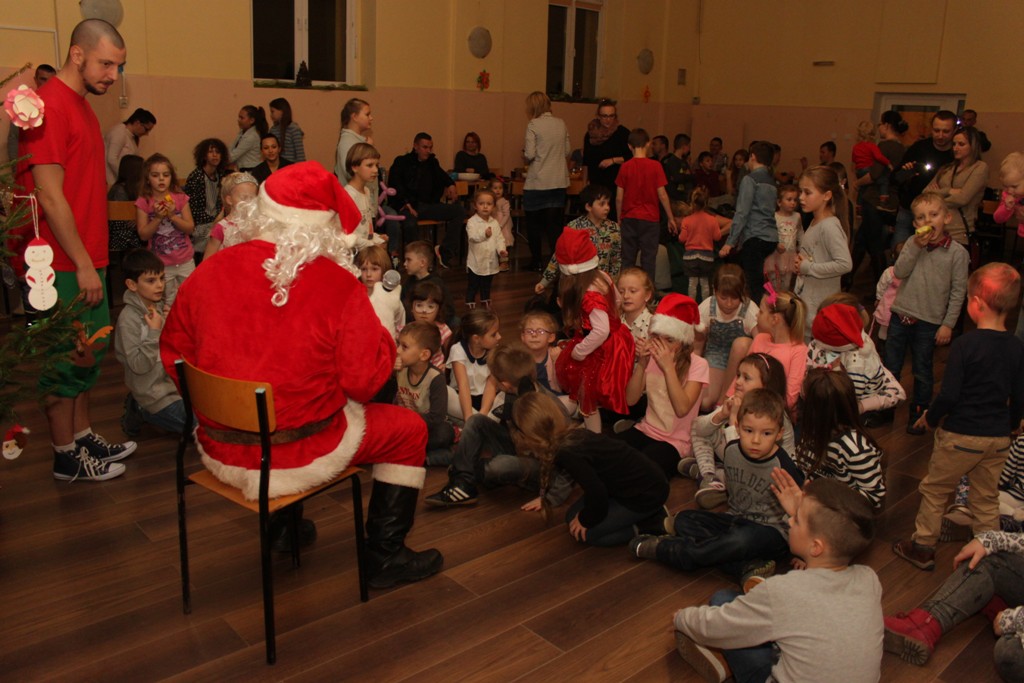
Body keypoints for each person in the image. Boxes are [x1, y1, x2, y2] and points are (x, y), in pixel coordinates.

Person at [160, 161, 443, 589]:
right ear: (326, 228)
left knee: (284, 394)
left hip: (221, 443)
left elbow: (174, 358)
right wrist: (383, 342)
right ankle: (385, 558)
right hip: (298, 451)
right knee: (407, 429)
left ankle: (282, 528)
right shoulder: (338, 285)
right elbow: (365, 382)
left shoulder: (208, 272)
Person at [17, 18, 135, 482]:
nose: (112, 75)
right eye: (106, 63)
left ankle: (83, 436)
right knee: (64, 360)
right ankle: (65, 455)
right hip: (61, 262)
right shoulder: (48, 106)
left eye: (118, 67)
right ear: (77, 54)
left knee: (90, 352)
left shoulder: (83, 106)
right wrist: (84, 264)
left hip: (90, 256)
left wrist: (95, 259)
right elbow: (49, 195)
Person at [674, 475, 882, 683]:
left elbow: (714, 627)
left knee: (722, 600)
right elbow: (819, 576)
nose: (790, 520)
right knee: (792, 621)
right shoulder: (869, 579)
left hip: (774, 625)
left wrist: (682, 618)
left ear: (816, 546)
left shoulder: (784, 591)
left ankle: (723, 651)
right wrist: (803, 515)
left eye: (796, 519)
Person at [892, 263, 1024, 571]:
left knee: (936, 489)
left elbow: (949, 395)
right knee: (986, 496)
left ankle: (923, 546)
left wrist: (931, 418)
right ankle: (989, 552)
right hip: (997, 439)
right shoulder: (1018, 348)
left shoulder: (966, 345)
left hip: (961, 436)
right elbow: (1019, 396)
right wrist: (1009, 425)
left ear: (977, 304)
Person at [631, 389, 804, 586]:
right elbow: (700, 431)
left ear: (779, 433)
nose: (756, 440)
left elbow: (804, 510)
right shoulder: (732, 451)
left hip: (770, 532)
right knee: (685, 520)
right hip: (736, 520)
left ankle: (670, 550)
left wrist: (804, 554)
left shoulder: (784, 467)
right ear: (737, 427)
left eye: (766, 433)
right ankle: (746, 567)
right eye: (749, 431)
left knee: (740, 540)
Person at [514, 390, 670, 547]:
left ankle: (654, 524)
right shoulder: (568, 437)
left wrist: (585, 520)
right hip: (623, 486)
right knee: (571, 518)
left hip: (646, 493)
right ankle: (645, 516)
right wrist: (546, 498)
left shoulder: (568, 452)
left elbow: (597, 492)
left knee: (587, 535)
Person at [426, 343, 573, 508]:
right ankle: (463, 483)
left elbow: (572, 457)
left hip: (543, 469)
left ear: (505, 384)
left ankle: (462, 468)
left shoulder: (546, 408)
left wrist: (552, 498)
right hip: (520, 448)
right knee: (476, 421)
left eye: (492, 377)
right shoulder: (517, 390)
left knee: (499, 465)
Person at [882, 192, 969, 434]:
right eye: (921, 217)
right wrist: (915, 248)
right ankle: (885, 409)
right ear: (914, 224)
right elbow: (899, 271)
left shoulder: (958, 254)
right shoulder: (912, 244)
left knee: (922, 370)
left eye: (934, 215)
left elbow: (958, 291)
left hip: (929, 321)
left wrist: (948, 324)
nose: (927, 220)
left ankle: (918, 414)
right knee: (891, 365)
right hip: (901, 314)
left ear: (947, 217)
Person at [616, 294, 708, 479]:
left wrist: (668, 368)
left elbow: (682, 408)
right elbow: (630, 400)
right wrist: (642, 363)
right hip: (646, 429)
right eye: (657, 338)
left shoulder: (698, 364)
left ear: (683, 342)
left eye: (670, 340)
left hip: (676, 442)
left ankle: (687, 465)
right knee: (610, 455)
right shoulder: (651, 357)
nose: (662, 345)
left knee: (640, 471)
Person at [684, 353, 793, 509]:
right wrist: (721, 414)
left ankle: (716, 476)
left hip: (765, 476)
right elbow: (699, 429)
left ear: (766, 385)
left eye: (746, 378)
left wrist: (733, 418)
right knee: (701, 424)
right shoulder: (740, 401)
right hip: (744, 464)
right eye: (738, 375)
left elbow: (742, 453)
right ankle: (709, 476)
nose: (738, 382)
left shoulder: (774, 415)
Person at [554, 229, 635, 433]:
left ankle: (594, 436)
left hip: (600, 347)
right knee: (587, 394)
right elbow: (617, 301)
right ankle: (591, 429)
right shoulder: (602, 276)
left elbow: (601, 331)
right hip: (616, 338)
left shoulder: (589, 294)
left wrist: (579, 351)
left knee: (586, 393)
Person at [115, 249, 186, 437]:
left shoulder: (158, 308)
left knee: (215, 416)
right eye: (151, 281)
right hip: (155, 396)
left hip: (174, 388)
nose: (160, 286)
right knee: (202, 430)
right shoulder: (128, 319)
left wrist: (171, 324)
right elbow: (139, 365)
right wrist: (155, 332)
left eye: (162, 279)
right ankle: (141, 408)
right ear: (132, 284)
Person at [794, 368, 886, 509]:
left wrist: (830, 501)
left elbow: (874, 496)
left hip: (839, 515)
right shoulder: (811, 433)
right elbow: (801, 463)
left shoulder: (855, 449)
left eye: (803, 397)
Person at [807, 299, 905, 417]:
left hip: (847, 408)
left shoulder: (857, 364)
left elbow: (848, 400)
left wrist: (836, 371)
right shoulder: (848, 334)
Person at [723, 288, 808, 412]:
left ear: (775, 319)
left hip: (771, 413)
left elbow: (790, 399)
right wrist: (728, 400)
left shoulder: (799, 351)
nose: (757, 315)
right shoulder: (760, 339)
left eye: (761, 312)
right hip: (745, 405)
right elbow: (741, 375)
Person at [389, 132, 465, 268]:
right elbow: (396, 184)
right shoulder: (401, 162)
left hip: (428, 206)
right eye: (425, 147)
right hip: (407, 206)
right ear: (415, 146)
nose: (428, 151)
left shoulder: (432, 162)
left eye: (430, 147)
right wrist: (406, 203)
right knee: (410, 224)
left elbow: (442, 175)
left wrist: (451, 184)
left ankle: (445, 251)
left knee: (458, 210)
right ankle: (416, 261)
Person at [793, 165, 852, 337]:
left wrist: (807, 268)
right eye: (801, 192)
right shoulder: (815, 222)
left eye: (807, 193)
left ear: (826, 195)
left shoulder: (830, 226)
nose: (801, 197)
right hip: (808, 308)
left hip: (820, 311)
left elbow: (844, 264)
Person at [851, 111, 907, 286]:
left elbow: (874, 174)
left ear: (887, 126)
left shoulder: (884, 147)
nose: (879, 128)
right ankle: (848, 279)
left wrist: (858, 183)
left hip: (874, 201)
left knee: (874, 244)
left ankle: (879, 286)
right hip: (890, 202)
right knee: (862, 240)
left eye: (880, 125)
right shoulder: (903, 149)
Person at [719, 141, 778, 304]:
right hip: (771, 237)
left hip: (755, 236)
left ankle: (763, 313)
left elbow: (742, 213)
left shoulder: (750, 179)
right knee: (760, 278)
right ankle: (773, 301)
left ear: (752, 157)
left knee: (753, 284)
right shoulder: (772, 182)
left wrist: (730, 242)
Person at [535, 183, 620, 295]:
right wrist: (544, 282)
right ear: (588, 207)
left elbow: (616, 260)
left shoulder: (613, 228)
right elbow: (558, 256)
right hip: (577, 284)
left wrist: (612, 284)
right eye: (602, 204)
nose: (607, 208)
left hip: (602, 285)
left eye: (608, 203)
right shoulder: (574, 227)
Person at [134, 153, 195, 310]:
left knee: (190, 297)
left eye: (165, 175)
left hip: (185, 260)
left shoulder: (180, 198)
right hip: (161, 263)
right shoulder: (144, 202)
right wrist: (158, 218)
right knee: (165, 302)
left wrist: (172, 216)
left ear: (171, 177)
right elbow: (143, 234)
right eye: (155, 175)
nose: (161, 179)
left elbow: (190, 228)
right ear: (148, 178)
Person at [695, 264, 758, 411]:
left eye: (735, 298)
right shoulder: (707, 307)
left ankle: (722, 403)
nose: (729, 304)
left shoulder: (749, 309)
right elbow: (697, 344)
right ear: (715, 291)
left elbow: (760, 342)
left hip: (741, 361)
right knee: (704, 403)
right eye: (723, 298)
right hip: (716, 355)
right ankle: (718, 402)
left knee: (741, 344)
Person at [616, 128, 676, 282]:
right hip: (650, 219)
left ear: (629, 146)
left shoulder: (625, 167)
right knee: (648, 260)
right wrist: (670, 218)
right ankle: (648, 295)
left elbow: (619, 197)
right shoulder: (655, 166)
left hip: (629, 217)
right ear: (648, 144)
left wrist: (619, 217)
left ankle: (624, 290)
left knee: (627, 258)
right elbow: (662, 194)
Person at [891, 110, 956, 249]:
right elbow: (895, 178)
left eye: (946, 131)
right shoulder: (919, 148)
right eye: (936, 130)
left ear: (954, 131)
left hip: (936, 215)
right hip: (909, 208)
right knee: (900, 250)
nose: (940, 135)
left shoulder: (956, 154)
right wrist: (906, 173)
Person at [522, 91, 571, 271]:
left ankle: (537, 261)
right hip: (558, 181)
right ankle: (556, 263)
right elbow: (567, 151)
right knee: (554, 228)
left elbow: (530, 154)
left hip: (538, 182)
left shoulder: (533, 124)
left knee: (534, 227)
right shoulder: (561, 123)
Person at [395, 321, 455, 453]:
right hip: (400, 424)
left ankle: (407, 448)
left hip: (422, 426)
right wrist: (388, 372)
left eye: (404, 347)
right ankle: (415, 450)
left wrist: (407, 421)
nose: (397, 350)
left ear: (424, 355)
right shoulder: (399, 370)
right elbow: (387, 401)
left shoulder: (435, 378)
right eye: (398, 344)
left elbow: (437, 417)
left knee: (445, 432)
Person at [924, 126, 989, 246]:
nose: (955, 148)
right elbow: (924, 194)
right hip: (934, 229)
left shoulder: (979, 167)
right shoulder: (947, 168)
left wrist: (936, 195)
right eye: (954, 144)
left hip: (958, 232)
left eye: (961, 144)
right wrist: (949, 191)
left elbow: (962, 199)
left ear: (972, 146)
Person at [447, 308, 502, 422]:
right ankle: (481, 423)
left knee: (504, 397)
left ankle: (482, 422)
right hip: (462, 397)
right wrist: (469, 418)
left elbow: (491, 385)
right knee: (446, 393)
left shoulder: (494, 351)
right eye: (494, 334)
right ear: (476, 338)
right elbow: (463, 386)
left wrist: (482, 413)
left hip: (485, 398)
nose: (499, 337)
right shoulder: (458, 350)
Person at [679, 186, 730, 301]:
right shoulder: (712, 219)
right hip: (706, 257)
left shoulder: (686, 220)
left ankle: (691, 305)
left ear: (692, 202)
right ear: (706, 203)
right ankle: (704, 305)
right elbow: (717, 237)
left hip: (690, 256)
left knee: (692, 283)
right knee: (705, 283)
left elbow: (682, 238)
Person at [182, 137, 229, 261]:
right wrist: (215, 221)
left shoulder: (221, 175)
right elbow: (194, 211)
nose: (215, 155)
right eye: (211, 152)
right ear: (203, 155)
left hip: (217, 221)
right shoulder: (196, 177)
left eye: (218, 152)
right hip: (200, 226)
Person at [582, 99, 631, 207]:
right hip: (596, 184)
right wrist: (585, 183)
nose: (608, 120)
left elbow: (631, 157)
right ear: (598, 116)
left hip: (615, 185)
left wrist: (613, 160)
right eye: (604, 116)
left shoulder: (622, 133)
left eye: (611, 116)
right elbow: (586, 161)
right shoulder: (591, 134)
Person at [464, 189, 506, 310]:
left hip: (490, 261)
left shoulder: (494, 223)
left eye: (489, 204)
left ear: (493, 206)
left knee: (486, 284)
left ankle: (485, 302)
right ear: (475, 205)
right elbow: (472, 237)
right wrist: (484, 234)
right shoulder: (472, 222)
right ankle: (470, 303)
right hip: (476, 261)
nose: (485, 207)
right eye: (481, 203)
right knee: (473, 284)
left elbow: (499, 238)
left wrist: (501, 250)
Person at [6, 63, 55, 162]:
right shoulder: (23, 103)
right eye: (43, 79)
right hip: (28, 163)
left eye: (51, 81)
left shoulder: (59, 105)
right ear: (35, 79)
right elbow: (14, 138)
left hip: (53, 163)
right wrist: (16, 166)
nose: (47, 84)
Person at [203, 171, 258, 260]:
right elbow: (207, 260)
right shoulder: (222, 228)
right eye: (244, 198)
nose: (249, 202)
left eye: (252, 198)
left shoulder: (258, 224)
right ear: (229, 200)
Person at [401, 240, 455, 327]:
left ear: (422, 262)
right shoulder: (408, 283)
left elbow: (449, 310)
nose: (404, 264)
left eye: (408, 260)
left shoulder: (437, 283)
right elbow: (403, 308)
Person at [342, 142, 386, 250]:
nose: (376, 170)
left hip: (366, 249)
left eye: (376, 165)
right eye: (369, 165)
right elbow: (348, 236)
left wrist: (377, 238)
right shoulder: (348, 195)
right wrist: (373, 245)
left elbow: (365, 229)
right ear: (355, 167)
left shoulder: (366, 191)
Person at [356, 245, 403, 342]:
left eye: (374, 269)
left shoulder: (392, 298)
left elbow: (400, 327)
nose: (368, 274)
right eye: (364, 269)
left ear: (384, 270)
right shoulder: (356, 297)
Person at [103, 107, 156, 186]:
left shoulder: (131, 136)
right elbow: (111, 159)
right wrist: (127, 177)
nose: (146, 134)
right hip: (113, 181)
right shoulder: (119, 132)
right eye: (146, 129)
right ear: (137, 123)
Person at [406, 280, 451, 371]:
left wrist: (446, 364)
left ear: (438, 309)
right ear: (412, 308)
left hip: (436, 373)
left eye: (430, 307)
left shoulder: (443, 330)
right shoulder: (405, 330)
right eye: (419, 305)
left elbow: (450, 352)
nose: (424, 311)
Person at [764, 183, 801, 293]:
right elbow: (768, 235)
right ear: (779, 202)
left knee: (786, 286)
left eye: (795, 200)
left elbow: (800, 234)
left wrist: (802, 249)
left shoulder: (797, 216)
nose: (793, 203)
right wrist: (776, 245)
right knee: (774, 285)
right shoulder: (774, 216)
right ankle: (772, 304)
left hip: (790, 256)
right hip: (776, 256)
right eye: (789, 199)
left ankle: (783, 305)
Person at [107, 154, 143, 253]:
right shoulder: (119, 191)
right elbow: (121, 223)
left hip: (129, 235)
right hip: (121, 239)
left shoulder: (131, 189)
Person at [851, 121, 894, 206]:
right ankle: (883, 198)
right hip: (868, 169)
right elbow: (879, 157)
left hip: (859, 170)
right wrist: (888, 163)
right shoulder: (872, 146)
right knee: (883, 180)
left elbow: (854, 159)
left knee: (862, 188)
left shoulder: (856, 146)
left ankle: (859, 205)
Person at [334, 97, 373, 185]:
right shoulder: (347, 142)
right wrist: (368, 150)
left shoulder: (359, 139)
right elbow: (350, 173)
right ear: (355, 117)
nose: (371, 118)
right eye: (367, 114)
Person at [229, 105, 268, 170]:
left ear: (252, 120)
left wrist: (217, 160)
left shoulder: (252, 136)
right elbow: (232, 148)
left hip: (251, 170)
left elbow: (234, 156)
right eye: (239, 117)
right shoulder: (242, 132)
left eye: (242, 118)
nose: (238, 120)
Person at [268, 97, 305, 163]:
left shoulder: (294, 129)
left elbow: (300, 156)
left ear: (282, 111)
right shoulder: (273, 129)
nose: (271, 115)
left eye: (272, 111)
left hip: (292, 167)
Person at [662, 133, 693, 203]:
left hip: (684, 196)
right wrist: (687, 175)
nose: (689, 149)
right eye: (689, 146)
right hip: (675, 197)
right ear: (684, 147)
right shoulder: (672, 161)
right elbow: (677, 178)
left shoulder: (684, 161)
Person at [490, 178, 512, 271]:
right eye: (495, 188)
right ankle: (494, 261)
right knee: (493, 243)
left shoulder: (504, 202)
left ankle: (504, 263)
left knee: (503, 244)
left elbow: (507, 215)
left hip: (503, 226)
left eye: (500, 188)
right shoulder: (490, 201)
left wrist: (500, 226)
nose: (498, 190)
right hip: (493, 223)